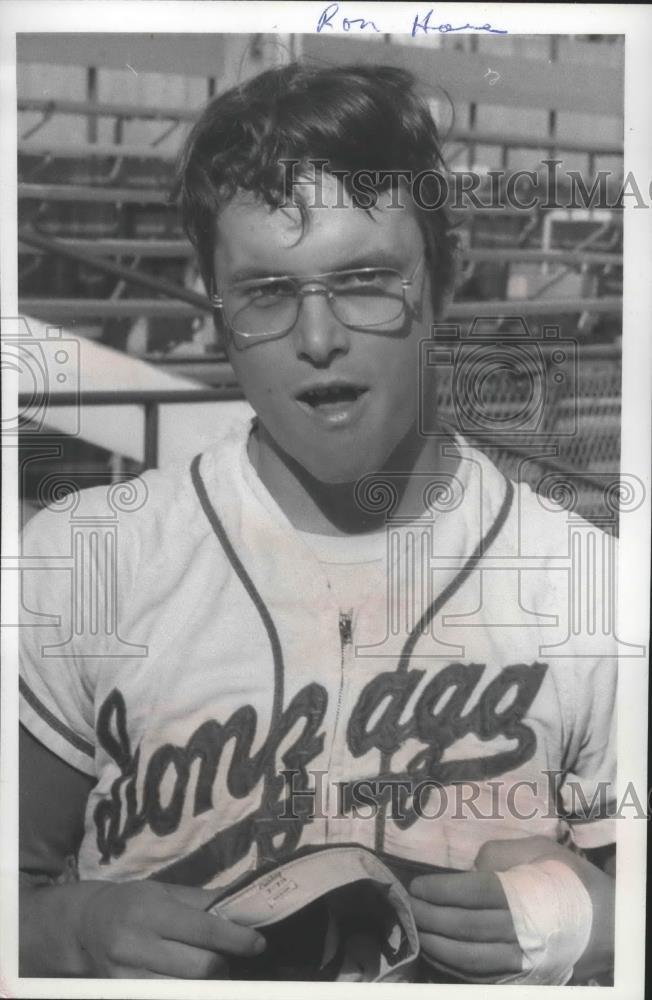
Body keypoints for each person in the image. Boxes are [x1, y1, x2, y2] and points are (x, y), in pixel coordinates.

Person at [19, 62, 616, 983]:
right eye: (267, 293)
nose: (319, 336)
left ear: (443, 286)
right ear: (219, 316)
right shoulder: (83, 557)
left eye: (366, 280)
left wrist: (592, 920)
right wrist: (77, 927)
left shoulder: (589, 580)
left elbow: (628, 909)